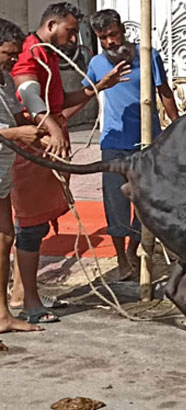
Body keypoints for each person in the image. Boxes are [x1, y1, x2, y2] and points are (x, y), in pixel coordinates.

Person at [8, 2, 129, 324]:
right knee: (27, 228)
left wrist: (98, 88)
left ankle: (23, 291)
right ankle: (29, 303)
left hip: (45, 150)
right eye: (71, 30)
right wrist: (50, 127)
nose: (75, 38)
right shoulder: (29, 52)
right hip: (29, 149)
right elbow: (30, 93)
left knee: (35, 224)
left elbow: (58, 101)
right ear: (51, 25)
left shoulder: (49, 56)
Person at [86, 9, 178, 279]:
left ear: (123, 31)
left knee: (145, 198)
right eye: (103, 38)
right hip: (113, 141)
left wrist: (177, 123)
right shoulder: (96, 63)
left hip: (147, 141)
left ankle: (133, 250)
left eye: (113, 35)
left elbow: (164, 91)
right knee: (115, 201)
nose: (109, 42)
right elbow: (85, 91)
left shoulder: (148, 56)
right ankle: (121, 260)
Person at [0, 18, 47, 335]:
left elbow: (13, 118)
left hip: (2, 172)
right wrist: (19, 132)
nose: (14, 60)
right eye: (8, 53)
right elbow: (12, 128)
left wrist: (38, 133)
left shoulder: (4, 81)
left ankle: (2, 315)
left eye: (17, 54)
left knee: (5, 238)